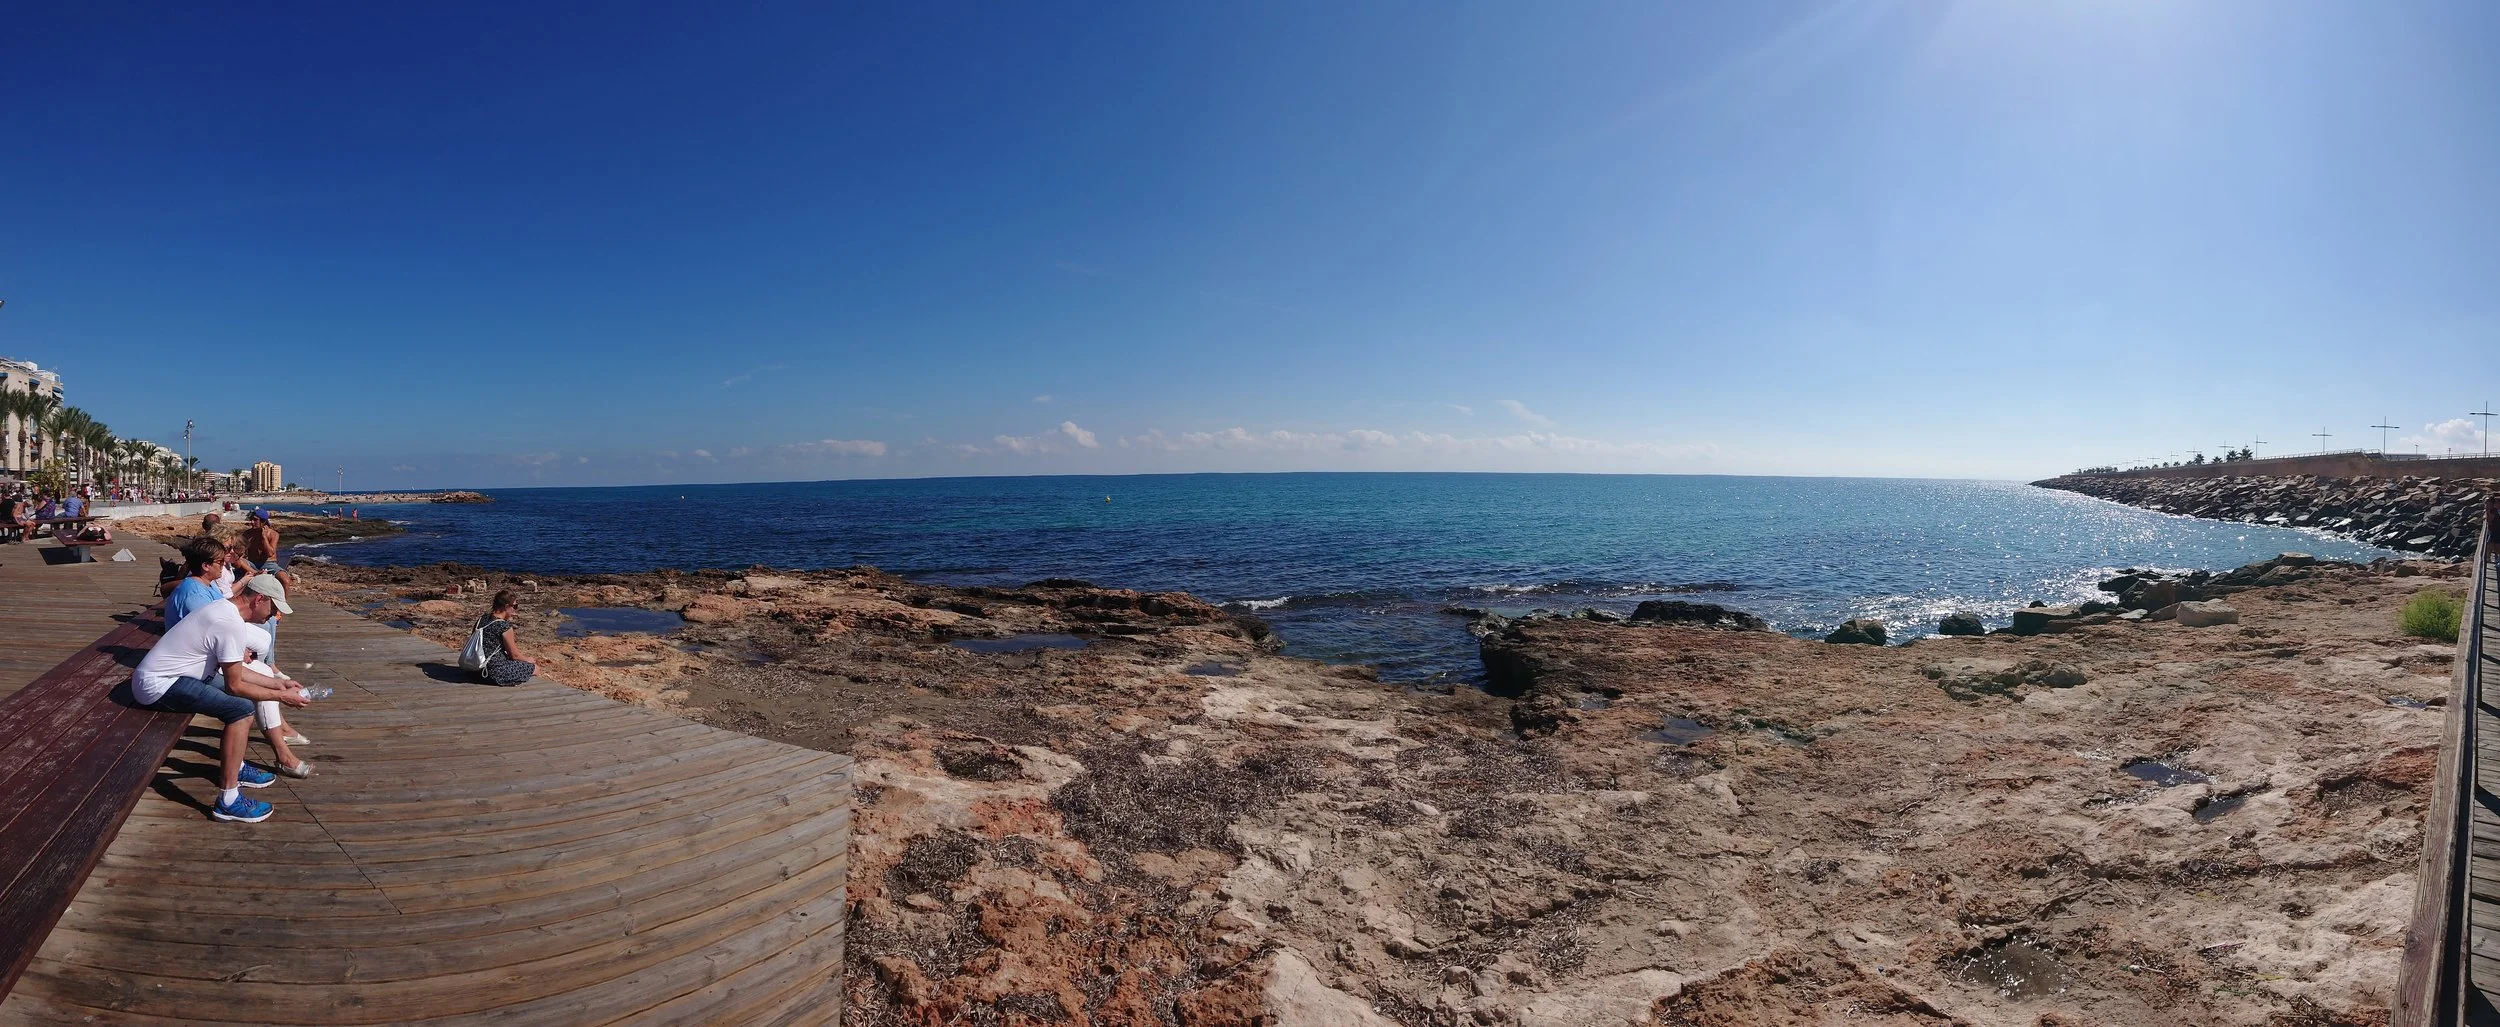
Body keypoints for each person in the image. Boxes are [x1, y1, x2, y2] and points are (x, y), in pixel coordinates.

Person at [126, 575, 315, 823]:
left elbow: (236, 670)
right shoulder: (230, 623)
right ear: (260, 599)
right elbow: (235, 685)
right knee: (240, 710)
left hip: (177, 675)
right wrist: (282, 696)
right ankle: (228, 800)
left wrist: (278, 683)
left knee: (242, 704)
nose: (274, 616)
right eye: (274, 608)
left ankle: (234, 765)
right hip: (159, 684)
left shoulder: (225, 609)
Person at [476, 589, 537, 685]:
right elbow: (514, 655)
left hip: (476, 668)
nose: (515, 609)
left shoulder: (482, 619)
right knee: (535, 668)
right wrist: (528, 660)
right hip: (493, 672)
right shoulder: (504, 626)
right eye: (515, 606)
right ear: (506, 606)